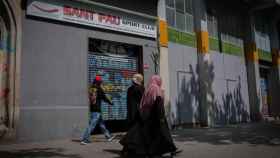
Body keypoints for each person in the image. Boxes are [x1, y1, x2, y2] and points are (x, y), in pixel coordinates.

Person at [120, 75, 179, 158]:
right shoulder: (155, 89)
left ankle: (131, 149)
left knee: (141, 132)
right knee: (161, 133)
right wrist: (161, 115)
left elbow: (143, 102)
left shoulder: (147, 88)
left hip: (143, 113)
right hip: (155, 114)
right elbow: (157, 101)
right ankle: (168, 149)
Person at [81, 75, 114, 145]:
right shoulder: (99, 89)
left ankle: (108, 136)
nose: (101, 83)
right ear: (98, 82)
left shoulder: (91, 88)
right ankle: (85, 139)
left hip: (93, 109)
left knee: (101, 124)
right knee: (92, 125)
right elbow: (104, 97)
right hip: (97, 110)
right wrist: (110, 102)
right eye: (100, 82)